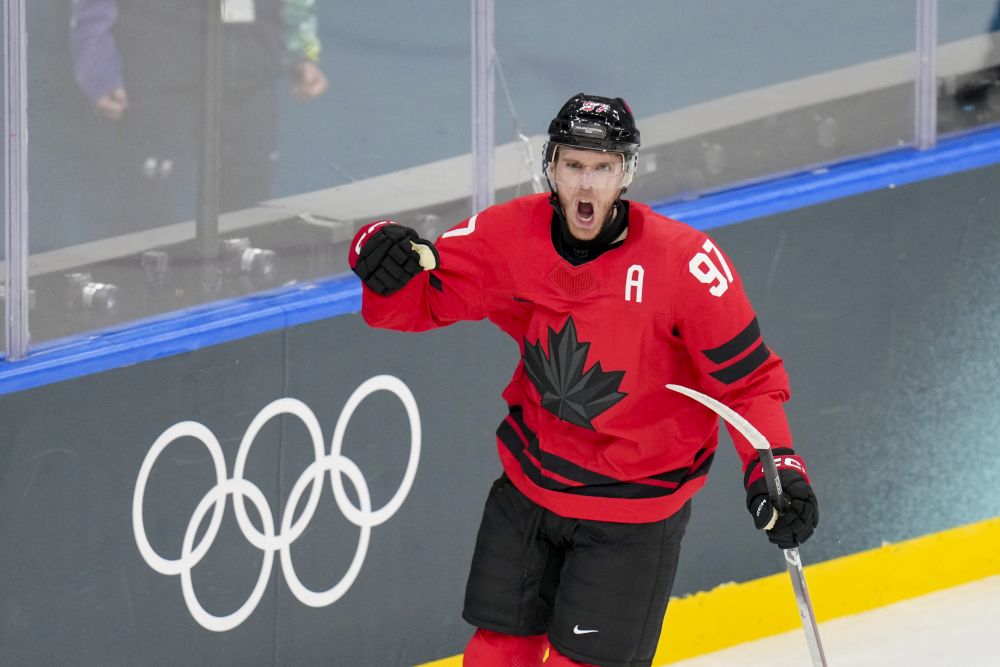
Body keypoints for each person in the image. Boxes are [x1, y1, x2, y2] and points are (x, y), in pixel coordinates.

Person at [348, 93, 819, 667]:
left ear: (628, 172)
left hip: (632, 511)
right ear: (550, 167)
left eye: (603, 167)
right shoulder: (506, 237)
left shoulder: (686, 265)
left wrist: (777, 466)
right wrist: (377, 254)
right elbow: (410, 305)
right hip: (529, 488)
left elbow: (748, 385)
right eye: (574, 165)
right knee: (496, 653)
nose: (587, 185)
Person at [70, 0, 328, 235]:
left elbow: (297, 6)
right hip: (163, 81)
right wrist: (97, 69)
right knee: (146, 213)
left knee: (251, 215)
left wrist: (304, 54)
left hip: (250, 81)